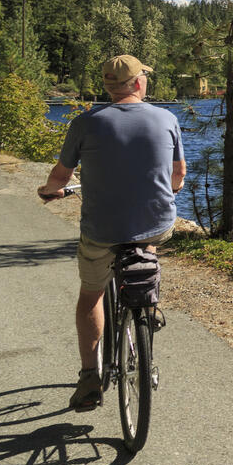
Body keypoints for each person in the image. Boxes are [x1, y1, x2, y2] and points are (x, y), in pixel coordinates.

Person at [39, 55, 185, 411]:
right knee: (147, 244)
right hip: (156, 223)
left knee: (91, 295)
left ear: (108, 84)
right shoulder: (166, 118)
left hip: (102, 230)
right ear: (138, 83)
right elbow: (177, 175)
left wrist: (50, 190)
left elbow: (60, 176)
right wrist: (167, 191)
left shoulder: (85, 123)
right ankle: (147, 302)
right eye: (144, 78)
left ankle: (90, 377)